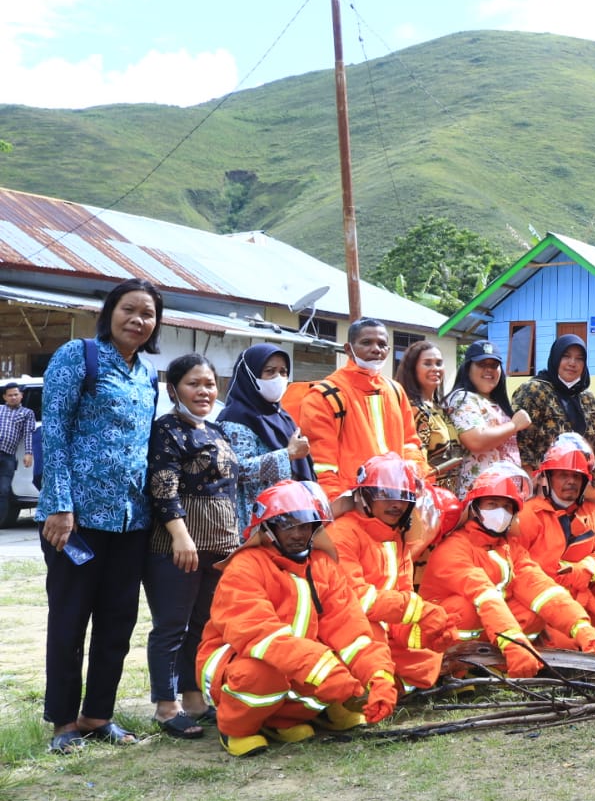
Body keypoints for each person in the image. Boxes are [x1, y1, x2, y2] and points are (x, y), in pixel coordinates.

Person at [38, 278, 163, 754]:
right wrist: (59, 506)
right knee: (70, 619)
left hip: (132, 520)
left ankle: (98, 715)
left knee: (117, 621)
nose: (138, 320)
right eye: (129, 309)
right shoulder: (79, 356)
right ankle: (63, 722)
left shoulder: (148, 373)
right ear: (110, 312)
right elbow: (55, 431)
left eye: (147, 314)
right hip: (78, 520)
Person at [197, 479, 397, 756]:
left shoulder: (322, 565)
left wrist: (379, 678)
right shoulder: (245, 567)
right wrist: (326, 670)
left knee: (353, 663)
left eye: (305, 526)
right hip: (237, 662)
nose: (298, 534)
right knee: (261, 675)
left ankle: (284, 720)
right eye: (288, 525)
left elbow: (350, 627)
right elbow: (261, 636)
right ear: (268, 528)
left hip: (294, 659)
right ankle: (236, 728)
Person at [144, 354, 276, 739]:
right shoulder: (166, 429)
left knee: (203, 626)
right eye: (193, 384)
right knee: (171, 627)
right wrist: (180, 535)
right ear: (174, 390)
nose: (204, 391)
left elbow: (233, 484)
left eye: (210, 384)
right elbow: (163, 486)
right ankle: (165, 707)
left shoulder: (216, 430)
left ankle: (194, 700)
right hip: (180, 547)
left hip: (221, 547)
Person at [420, 464, 595, 671]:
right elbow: (485, 595)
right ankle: (456, 670)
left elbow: (541, 587)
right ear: (474, 508)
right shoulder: (455, 548)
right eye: (492, 504)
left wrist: (581, 626)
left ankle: (498, 665)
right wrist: (514, 646)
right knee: (464, 609)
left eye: (507, 507)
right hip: (436, 636)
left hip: (491, 625)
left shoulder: (508, 547)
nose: (500, 512)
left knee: (533, 609)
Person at [326, 452, 457, 692]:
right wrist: (418, 610)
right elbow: (356, 600)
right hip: (349, 626)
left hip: (383, 623)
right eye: (385, 495)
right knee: (371, 635)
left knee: (428, 648)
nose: (396, 504)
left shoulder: (397, 536)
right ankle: (359, 691)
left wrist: (427, 629)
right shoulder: (342, 534)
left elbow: (403, 592)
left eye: (403, 497)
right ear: (364, 496)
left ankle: (392, 684)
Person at [512, 435, 595, 646]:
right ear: (547, 478)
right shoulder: (528, 516)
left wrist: (588, 568)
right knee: (565, 646)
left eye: (576, 476)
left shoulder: (592, 513)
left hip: (581, 594)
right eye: (563, 475)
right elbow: (515, 573)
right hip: (545, 602)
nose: (571, 481)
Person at [299, 318, 426, 498]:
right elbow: (322, 465)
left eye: (382, 344)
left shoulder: (395, 390)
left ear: (389, 350)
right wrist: (338, 502)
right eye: (366, 343)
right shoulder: (324, 395)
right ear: (348, 349)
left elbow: (410, 443)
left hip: (396, 498)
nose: (376, 349)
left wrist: (415, 472)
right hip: (352, 500)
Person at [216, 343, 312, 537]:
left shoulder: (281, 416)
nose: (279, 378)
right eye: (270, 371)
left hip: (285, 517)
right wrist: (288, 454)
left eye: (283, 372)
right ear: (250, 375)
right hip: (252, 521)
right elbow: (237, 469)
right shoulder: (236, 417)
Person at [445, 340, 533, 494]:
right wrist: (514, 425)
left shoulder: (499, 404)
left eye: (494, 365)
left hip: (507, 494)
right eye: (481, 364)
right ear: (468, 368)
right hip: (480, 496)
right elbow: (476, 440)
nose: (488, 370)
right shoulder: (462, 398)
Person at [512, 334, 595, 471]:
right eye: (566, 356)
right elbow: (521, 443)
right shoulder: (534, 391)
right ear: (555, 358)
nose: (572, 363)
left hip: (583, 479)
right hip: (544, 480)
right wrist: (530, 478)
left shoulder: (587, 398)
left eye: (579, 358)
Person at [398, 340, 462, 495]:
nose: (435, 368)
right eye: (427, 363)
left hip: (450, 495)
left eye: (439, 363)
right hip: (428, 496)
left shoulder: (440, 409)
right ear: (413, 369)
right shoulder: (413, 410)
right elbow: (416, 465)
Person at [0, 381, 37, 520]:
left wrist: (28, 453)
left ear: (21, 395)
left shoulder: (27, 413)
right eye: (10, 395)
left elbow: (28, 434)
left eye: (16, 394)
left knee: (3, 490)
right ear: (4, 397)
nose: (13, 397)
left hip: (8, 456)